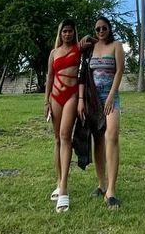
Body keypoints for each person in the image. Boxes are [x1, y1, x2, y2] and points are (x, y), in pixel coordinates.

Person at [78, 16, 125, 209]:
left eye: (104, 28)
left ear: (109, 28)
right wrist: (84, 40)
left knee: (111, 136)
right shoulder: (91, 47)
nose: (101, 31)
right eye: (97, 29)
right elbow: (81, 68)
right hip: (93, 100)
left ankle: (111, 191)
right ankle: (101, 184)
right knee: (97, 140)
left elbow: (120, 71)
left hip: (110, 98)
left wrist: (111, 96)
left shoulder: (116, 46)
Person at [45, 18, 82, 213]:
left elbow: (95, 41)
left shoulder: (79, 47)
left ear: (74, 32)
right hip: (55, 97)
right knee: (57, 140)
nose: (67, 34)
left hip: (72, 96)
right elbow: (49, 77)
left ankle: (64, 190)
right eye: (64, 31)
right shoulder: (53, 53)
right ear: (60, 33)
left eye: (70, 31)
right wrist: (46, 102)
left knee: (66, 137)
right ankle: (59, 182)